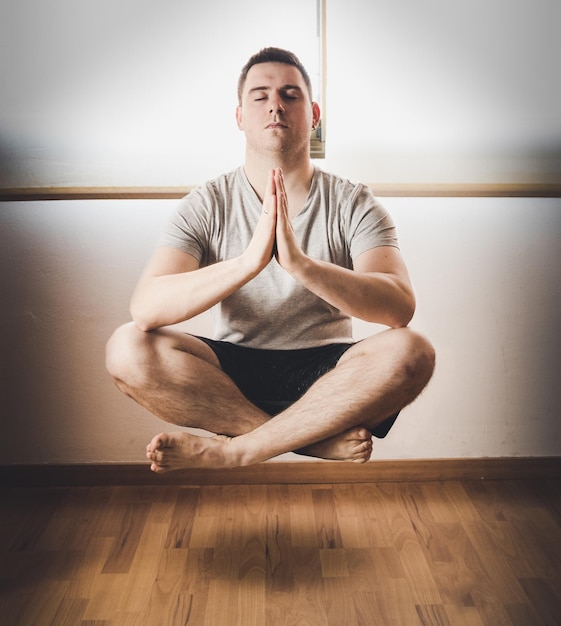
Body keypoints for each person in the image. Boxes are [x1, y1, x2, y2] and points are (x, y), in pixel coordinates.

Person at [105, 47, 435, 473]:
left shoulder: (354, 202)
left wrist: (301, 265)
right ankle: (306, 441)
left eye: (290, 95)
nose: (275, 105)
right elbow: (147, 307)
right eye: (259, 96)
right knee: (126, 347)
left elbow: (398, 307)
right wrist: (246, 263)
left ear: (313, 113)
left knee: (414, 350)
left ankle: (237, 449)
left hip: (328, 371)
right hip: (231, 371)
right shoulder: (206, 203)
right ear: (240, 116)